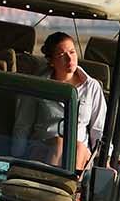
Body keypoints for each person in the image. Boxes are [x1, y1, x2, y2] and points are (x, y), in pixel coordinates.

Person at [41, 32, 106, 171]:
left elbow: (99, 130)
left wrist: (105, 161)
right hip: (42, 148)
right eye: (62, 55)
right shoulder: (38, 83)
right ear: (51, 61)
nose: (69, 59)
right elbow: (23, 124)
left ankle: (65, 188)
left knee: (77, 147)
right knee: (59, 143)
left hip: (79, 153)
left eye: (72, 52)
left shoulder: (92, 86)